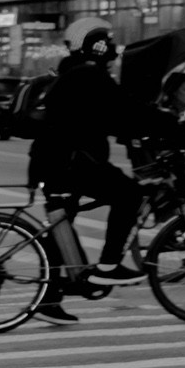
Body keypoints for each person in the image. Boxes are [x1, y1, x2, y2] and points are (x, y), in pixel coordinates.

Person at [27, 18, 146, 316]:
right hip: (70, 165)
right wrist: (174, 126)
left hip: (57, 164)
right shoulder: (88, 75)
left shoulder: (74, 73)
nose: (115, 49)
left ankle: (50, 297)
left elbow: (109, 116)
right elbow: (126, 109)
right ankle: (108, 266)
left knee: (61, 225)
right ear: (97, 44)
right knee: (129, 194)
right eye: (109, 40)